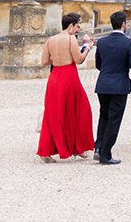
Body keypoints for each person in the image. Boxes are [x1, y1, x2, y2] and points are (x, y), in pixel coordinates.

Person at [37, 12, 95, 162]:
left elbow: (44, 62)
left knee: (53, 114)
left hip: (55, 77)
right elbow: (79, 60)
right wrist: (88, 47)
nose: (78, 28)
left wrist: (57, 59)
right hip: (69, 77)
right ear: (70, 26)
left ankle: (46, 151)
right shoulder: (71, 39)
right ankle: (78, 146)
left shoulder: (50, 40)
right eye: (77, 26)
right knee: (80, 111)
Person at [93, 10, 131, 165]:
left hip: (103, 84)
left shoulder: (102, 42)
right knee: (114, 120)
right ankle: (105, 154)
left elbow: (99, 64)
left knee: (104, 116)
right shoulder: (129, 43)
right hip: (119, 86)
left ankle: (98, 147)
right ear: (123, 24)